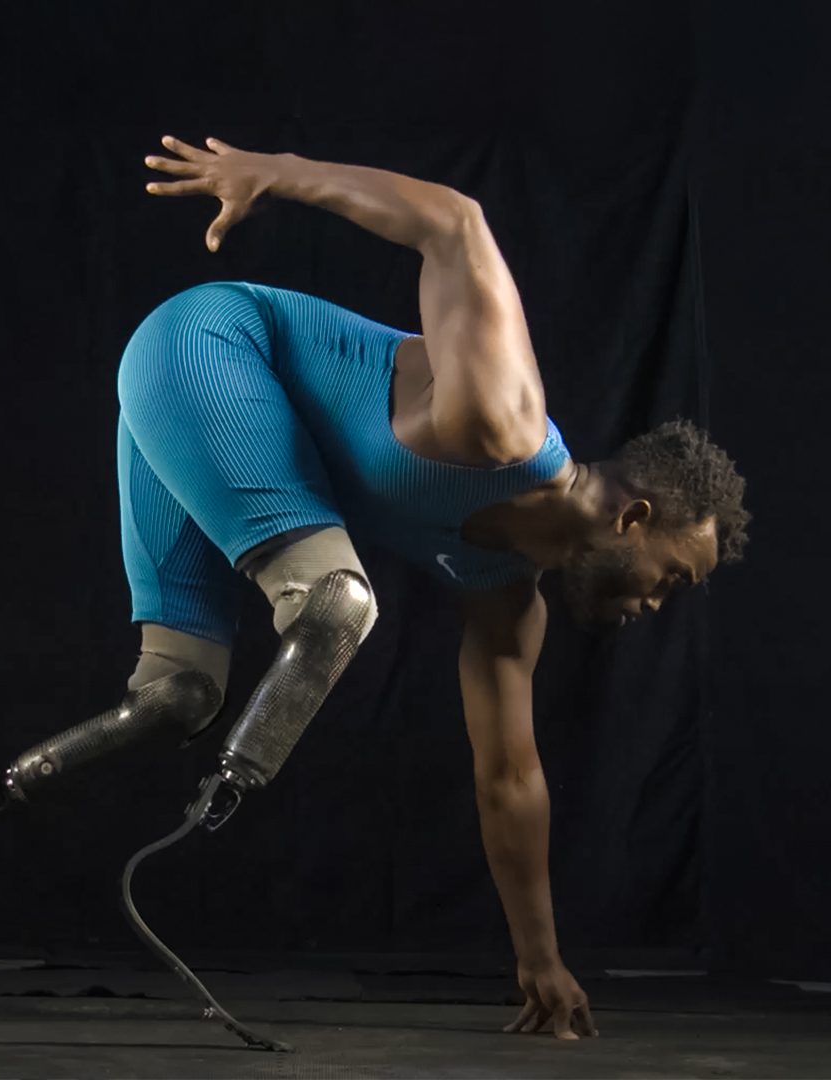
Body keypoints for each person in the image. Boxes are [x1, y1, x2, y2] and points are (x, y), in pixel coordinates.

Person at [116, 135, 751, 1041]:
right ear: (634, 519)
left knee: (176, 697)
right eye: (671, 581)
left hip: (188, 423)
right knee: (336, 603)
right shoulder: (503, 426)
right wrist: (273, 173)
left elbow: (510, 778)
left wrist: (539, 956)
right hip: (208, 345)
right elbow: (456, 225)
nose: (656, 605)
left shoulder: (507, 600)